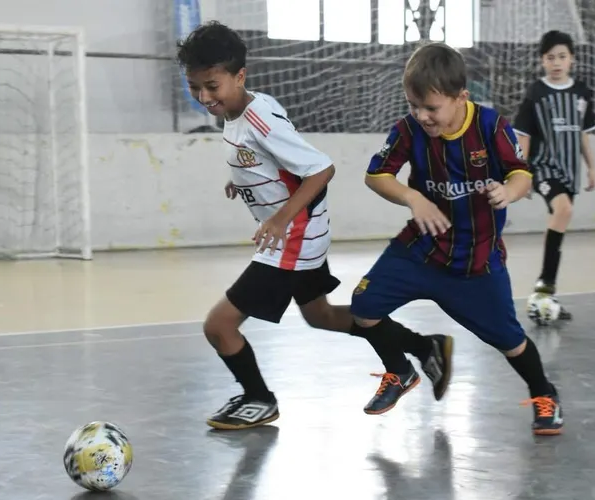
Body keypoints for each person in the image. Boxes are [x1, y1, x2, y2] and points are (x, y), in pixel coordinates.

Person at [176, 21, 452, 430]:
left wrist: (279, 217)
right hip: (301, 236)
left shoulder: (259, 118)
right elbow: (269, 160)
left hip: (293, 241)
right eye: (195, 87)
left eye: (212, 87)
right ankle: (423, 346)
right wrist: (242, 180)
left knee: (219, 326)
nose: (204, 97)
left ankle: (259, 399)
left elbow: (321, 170)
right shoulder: (239, 114)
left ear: (240, 76)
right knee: (320, 315)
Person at [350, 42, 564, 435]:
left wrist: (509, 192)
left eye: (431, 108)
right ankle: (400, 371)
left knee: (511, 342)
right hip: (420, 249)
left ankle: (543, 392)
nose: (421, 115)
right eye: (414, 105)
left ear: (460, 97)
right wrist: (412, 197)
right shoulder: (408, 129)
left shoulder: (490, 126)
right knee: (363, 307)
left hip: (476, 262)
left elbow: (521, 172)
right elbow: (376, 175)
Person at [513, 30, 595, 322]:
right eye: (551, 58)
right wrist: (522, 173)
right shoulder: (536, 94)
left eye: (562, 56)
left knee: (563, 217)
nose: (557, 62)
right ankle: (545, 283)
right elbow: (523, 136)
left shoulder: (582, 93)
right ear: (542, 61)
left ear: (571, 59)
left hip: (570, 170)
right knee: (564, 209)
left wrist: (592, 166)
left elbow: (584, 136)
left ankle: (547, 294)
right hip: (543, 166)